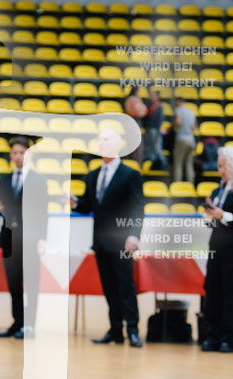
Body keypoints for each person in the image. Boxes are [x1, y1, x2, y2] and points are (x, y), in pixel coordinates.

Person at [70, 128, 145, 347]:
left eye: (107, 140)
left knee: (126, 287)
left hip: (122, 241)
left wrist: (134, 235)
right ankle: (115, 330)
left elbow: (138, 209)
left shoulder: (130, 175)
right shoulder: (92, 175)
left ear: (118, 145)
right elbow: (89, 207)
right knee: (109, 288)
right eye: (100, 140)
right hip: (101, 243)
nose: (102, 144)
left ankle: (132, 330)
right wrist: (75, 203)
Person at [0, 137, 48, 339]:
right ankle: (18, 322)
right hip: (8, 239)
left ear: (29, 155)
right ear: (10, 155)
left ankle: (30, 324)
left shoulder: (38, 180)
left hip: (30, 239)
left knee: (31, 283)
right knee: (13, 284)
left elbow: (43, 212)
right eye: (14, 153)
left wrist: (42, 238)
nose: (18, 156)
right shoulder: (3, 180)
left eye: (21, 152)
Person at [201, 145, 233, 353]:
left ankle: (231, 338)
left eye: (223, 166)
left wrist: (223, 216)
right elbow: (216, 221)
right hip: (216, 246)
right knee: (213, 290)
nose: (220, 170)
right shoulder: (218, 190)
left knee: (232, 294)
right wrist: (211, 216)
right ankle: (212, 335)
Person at [172, 97, 197, 183]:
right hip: (191, 140)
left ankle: (177, 185)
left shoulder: (178, 110)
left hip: (181, 139)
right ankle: (190, 185)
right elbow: (194, 128)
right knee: (189, 164)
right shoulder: (191, 112)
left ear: (178, 102)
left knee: (178, 164)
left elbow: (178, 122)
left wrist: (171, 126)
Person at [123, 86, 147, 168]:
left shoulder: (136, 99)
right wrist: (141, 111)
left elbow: (144, 110)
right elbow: (138, 112)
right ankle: (135, 166)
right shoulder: (131, 99)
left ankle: (135, 166)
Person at [144, 90, 167, 171]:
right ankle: (152, 166)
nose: (151, 97)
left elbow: (160, 121)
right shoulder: (151, 105)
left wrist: (158, 132)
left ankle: (163, 165)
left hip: (154, 130)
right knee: (150, 149)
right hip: (149, 129)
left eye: (152, 95)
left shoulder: (159, 106)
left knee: (157, 148)